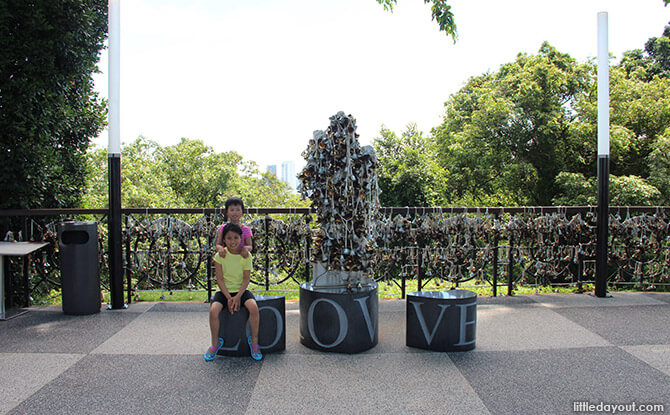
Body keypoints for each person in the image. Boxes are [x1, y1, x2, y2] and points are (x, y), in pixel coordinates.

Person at [204, 222, 262, 361]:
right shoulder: (220, 256)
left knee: (253, 308)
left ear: (241, 238)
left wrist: (237, 297)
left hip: (241, 291)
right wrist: (229, 298)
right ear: (224, 240)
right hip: (224, 292)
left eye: (236, 238)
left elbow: (246, 279)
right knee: (213, 311)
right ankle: (215, 344)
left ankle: (254, 343)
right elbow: (220, 279)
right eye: (229, 238)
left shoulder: (246, 256)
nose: (232, 241)